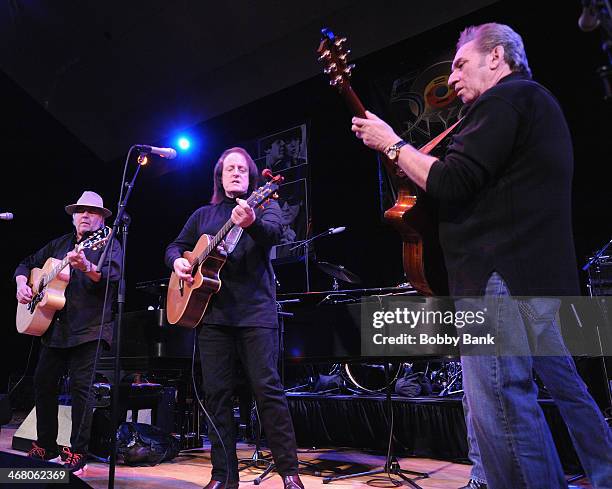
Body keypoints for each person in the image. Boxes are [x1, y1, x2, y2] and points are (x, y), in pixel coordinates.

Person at [351, 23, 612, 489]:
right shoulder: (533, 102)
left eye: (459, 63)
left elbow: (452, 182)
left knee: (501, 403)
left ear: (496, 57)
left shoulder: (503, 101)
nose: (451, 77)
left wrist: (392, 142)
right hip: (538, 277)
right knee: (570, 391)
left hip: (499, 278)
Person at [164, 147, 304, 489]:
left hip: (256, 313)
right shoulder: (203, 215)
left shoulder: (265, 205)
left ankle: (289, 473)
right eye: (230, 168)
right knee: (217, 396)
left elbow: (274, 235)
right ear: (220, 176)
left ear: (252, 176)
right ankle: (223, 476)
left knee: (268, 391)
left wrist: (252, 222)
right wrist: (178, 263)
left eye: (242, 168)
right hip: (213, 317)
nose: (237, 172)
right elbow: (175, 245)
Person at [14, 190, 122, 475]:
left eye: (92, 211)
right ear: (74, 217)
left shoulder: (107, 243)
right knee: (43, 383)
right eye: (80, 211)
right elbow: (25, 263)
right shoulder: (60, 244)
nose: (85, 215)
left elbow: (112, 277)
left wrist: (87, 267)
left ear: (101, 218)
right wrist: (22, 283)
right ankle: (45, 444)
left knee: (81, 390)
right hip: (56, 328)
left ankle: (78, 450)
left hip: (89, 328)